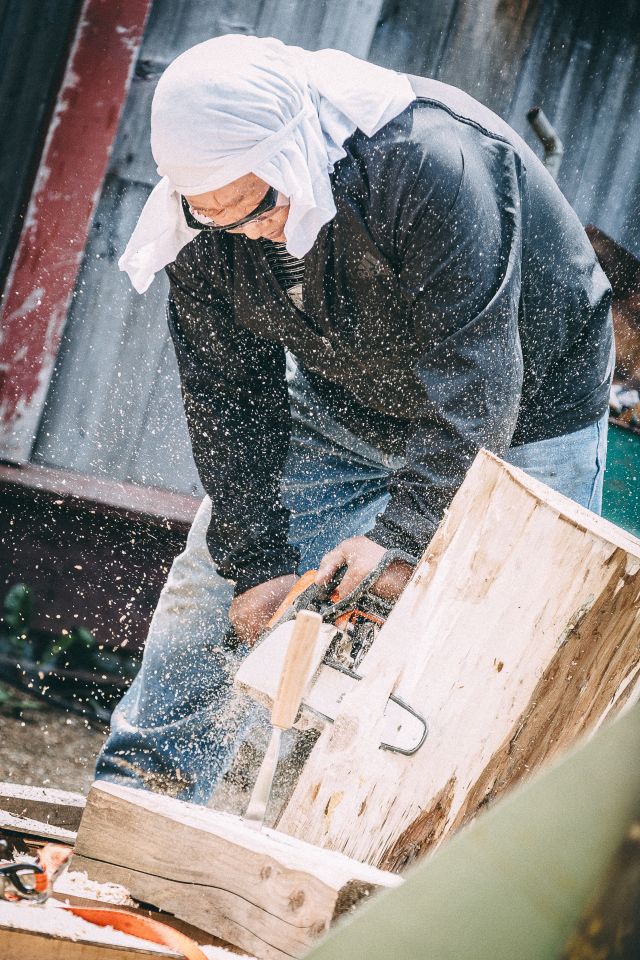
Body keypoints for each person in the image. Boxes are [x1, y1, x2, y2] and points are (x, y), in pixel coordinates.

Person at [95, 35, 613, 802]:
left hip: (527, 406)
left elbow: (478, 379)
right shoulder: (203, 226)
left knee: (506, 641)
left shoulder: (429, 163)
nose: (251, 232)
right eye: (220, 218)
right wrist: (258, 562)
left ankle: (449, 859)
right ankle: (141, 798)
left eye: (262, 205)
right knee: (208, 587)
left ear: (297, 150)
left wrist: (404, 540)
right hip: (354, 398)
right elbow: (227, 395)